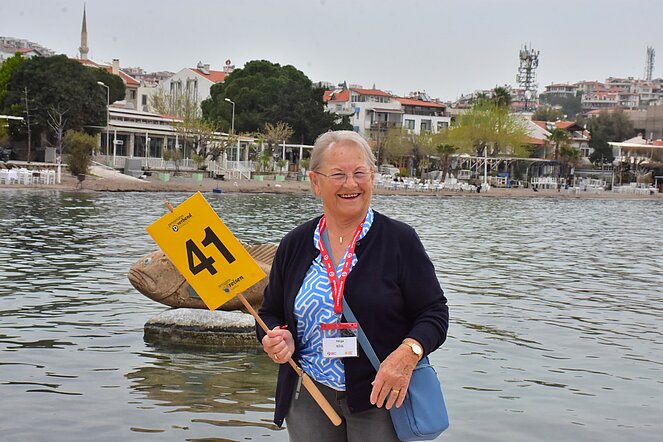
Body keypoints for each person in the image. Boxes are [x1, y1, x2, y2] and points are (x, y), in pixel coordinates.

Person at [257, 130, 448, 441]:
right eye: (338, 175)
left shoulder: (399, 240)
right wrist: (277, 337)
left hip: (382, 394)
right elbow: (269, 312)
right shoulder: (295, 244)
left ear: (372, 177)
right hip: (309, 391)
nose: (351, 184)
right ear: (315, 182)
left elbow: (434, 313)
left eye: (360, 173)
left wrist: (408, 353)